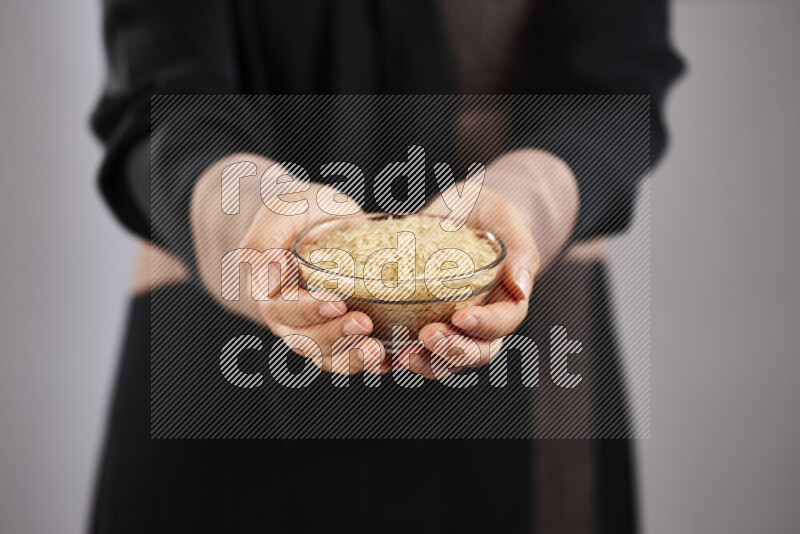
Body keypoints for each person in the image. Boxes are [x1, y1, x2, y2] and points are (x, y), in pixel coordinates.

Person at [90, 0, 682, 532]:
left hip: (525, 353)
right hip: (222, 342)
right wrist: (249, 210)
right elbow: (159, 90)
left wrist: (528, 198)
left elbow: (618, 86)